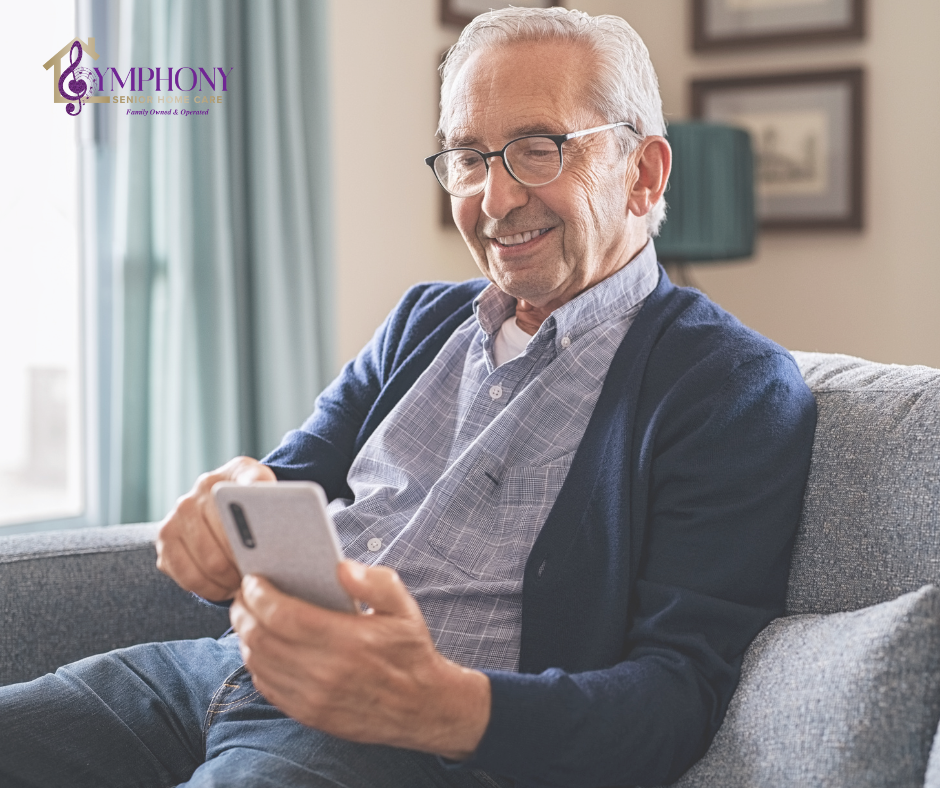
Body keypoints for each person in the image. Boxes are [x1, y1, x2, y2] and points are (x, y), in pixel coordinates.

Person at [0, 8, 816, 788]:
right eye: (469, 156)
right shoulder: (423, 320)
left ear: (641, 174)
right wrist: (222, 517)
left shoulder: (729, 387)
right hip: (220, 675)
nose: (494, 201)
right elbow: (286, 489)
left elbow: (676, 700)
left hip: (410, 752)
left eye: (537, 149)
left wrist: (438, 707)